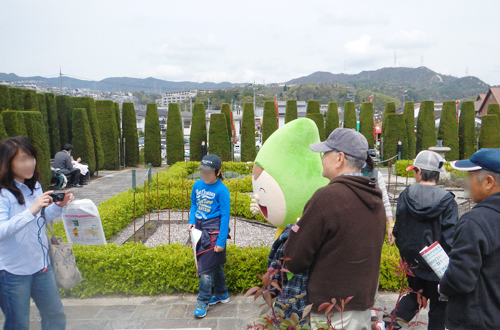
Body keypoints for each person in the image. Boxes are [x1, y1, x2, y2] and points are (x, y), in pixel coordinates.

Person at [284, 128, 386, 330]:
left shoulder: (327, 198)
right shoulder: (374, 196)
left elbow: (293, 259)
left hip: (332, 309)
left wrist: (297, 228)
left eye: (325, 153)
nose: (321, 158)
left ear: (339, 158)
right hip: (362, 303)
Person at [0, 136, 74, 330]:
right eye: (22, 159)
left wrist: (59, 206)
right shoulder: (3, 193)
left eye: (31, 157)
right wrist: (31, 211)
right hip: (12, 272)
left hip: (41, 266)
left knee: (55, 316)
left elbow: (40, 220)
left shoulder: (35, 186)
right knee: (18, 323)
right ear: (8, 163)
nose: (29, 163)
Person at [390, 150, 458, 330]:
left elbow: (399, 231)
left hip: (413, 263)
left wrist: (406, 257)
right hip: (438, 267)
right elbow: (450, 238)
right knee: (438, 307)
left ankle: (388, 324)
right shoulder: (447, 200)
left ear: (419, 171)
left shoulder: (406, 195)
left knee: (414, 296)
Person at [438, 148, 500, 329]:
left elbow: (460, 278)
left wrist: (443, 288)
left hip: (476, 321)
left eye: (470, 177)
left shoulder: (476, 222)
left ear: (488, 182)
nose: (466, 184)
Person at [188, 154, 230, 318]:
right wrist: (192, 221)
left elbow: (225, 217)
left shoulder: (222, 190)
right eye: (202, 172)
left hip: (213, 231)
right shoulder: (197, 185)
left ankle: (203, 300)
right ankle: (222, 293)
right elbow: (194, 204)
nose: (204, 175)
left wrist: (221, 241)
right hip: (199, 229)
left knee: (205, 269)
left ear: (218, 172)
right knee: (214, 263)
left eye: (208, 172)